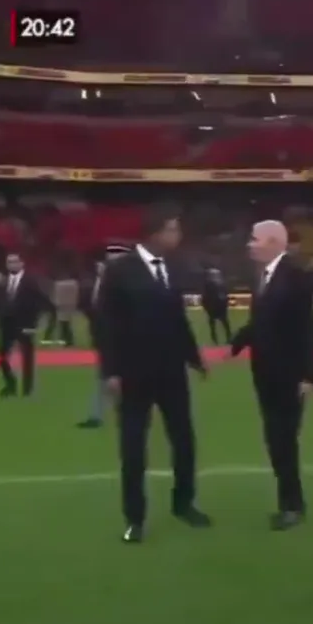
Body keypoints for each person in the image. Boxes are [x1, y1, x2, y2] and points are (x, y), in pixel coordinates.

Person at [97, 205, 210, 544]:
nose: (179, 235)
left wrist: (194, 358)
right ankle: (135, 518)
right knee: (134, 448)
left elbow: (178, 319)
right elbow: (106, 325)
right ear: (156, 232)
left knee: (184, 440)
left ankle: (184, 503)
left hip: (172, 370)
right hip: (133, 373)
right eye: (173, 229)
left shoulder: (172, 267)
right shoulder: (120, 271)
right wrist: (111, 371)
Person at [229, 221, 313, 530]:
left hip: (288, 375)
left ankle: (292, 505)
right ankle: (290, 503)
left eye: (254, 239)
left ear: (273, 242)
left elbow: (307, 329)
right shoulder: (264, 276)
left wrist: (309, 375)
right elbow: (260, 321)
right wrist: (237, 344)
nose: (249, 244)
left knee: (283, 441)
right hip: (264, 373)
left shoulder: (295, 276)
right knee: (274, 440)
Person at [77, 244, 131, 429]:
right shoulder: (105, 283)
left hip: (125, 340)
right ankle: (101, 415)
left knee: (116, 378)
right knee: (106, 377)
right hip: (107, 339)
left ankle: (106, 414)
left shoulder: (129, 283)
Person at [0, 252, 44, 398]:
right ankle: (10, 383)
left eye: (15, 261)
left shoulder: (30, 281)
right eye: (9, 262)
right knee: (1, 356)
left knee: (27, 358)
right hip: (6, 325)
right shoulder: (3, 281)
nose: (12, 264)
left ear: (22, 263)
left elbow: (38, 303)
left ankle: (27, 390)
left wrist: (33, 324)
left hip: (25, 324)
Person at [201, 268, 232, 345]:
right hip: (216, 306)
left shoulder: (211, 285)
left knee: (216, 323)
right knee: (223, 323)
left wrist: (205, 306)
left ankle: (217, 339)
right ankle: (226, 337)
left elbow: (205, 297)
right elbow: (225, 296)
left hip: (215, 306)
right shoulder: (218, 285)